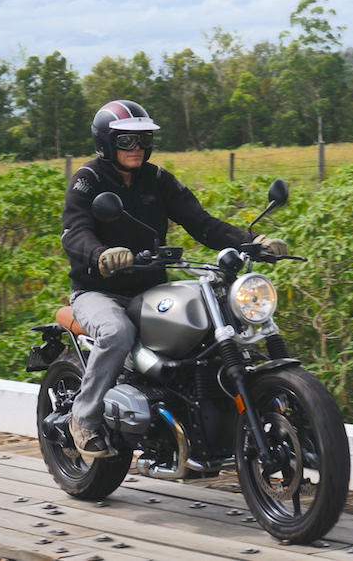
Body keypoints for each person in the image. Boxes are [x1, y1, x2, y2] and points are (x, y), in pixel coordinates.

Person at [61, 99, 287, 458]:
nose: (137, 148)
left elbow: (203, 223)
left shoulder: (158, 179)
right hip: (99, 291)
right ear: (106, 143)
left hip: (149, 289)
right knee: (117, 333)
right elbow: (73, 233)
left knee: (211, 324)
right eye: (126, 141)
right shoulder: (88, 180)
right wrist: (101, 255)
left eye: (143, 139)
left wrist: (252, 242)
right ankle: (83, 421)